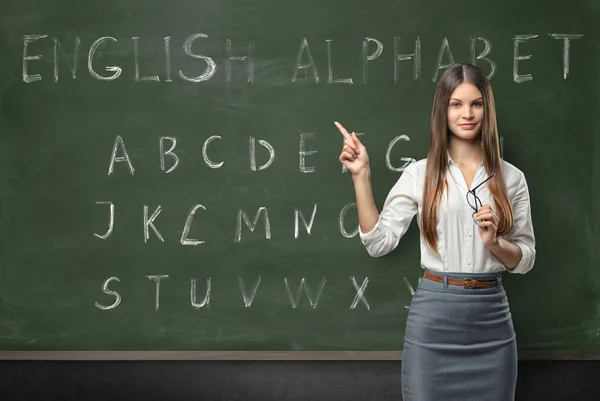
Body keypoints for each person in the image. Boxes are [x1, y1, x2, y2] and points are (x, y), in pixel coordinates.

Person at [335, 63, 536, 401]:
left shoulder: (511, 178)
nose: (467, 114)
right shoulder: (420, 174)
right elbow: (378, 242)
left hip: (492, 318)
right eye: (456, 104)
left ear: (487, 110)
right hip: (434, 317)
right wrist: (361, 176)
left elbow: (525, 259)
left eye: (476, 104)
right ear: (442, 110)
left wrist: (495, 243)